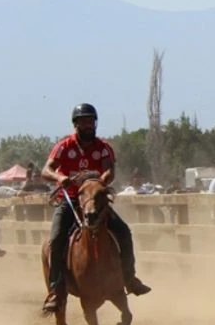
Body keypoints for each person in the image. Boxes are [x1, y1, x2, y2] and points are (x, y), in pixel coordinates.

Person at [40, 103, 151, 314]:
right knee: (55, 240)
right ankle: (55, 290)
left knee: (124, 232)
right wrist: (60, 177)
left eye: (91, 121)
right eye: (83, 121)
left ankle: (129, 278)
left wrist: (102, 180)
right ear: (76, 124)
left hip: (96, 199)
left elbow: (110, 169)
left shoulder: (103, 147)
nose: (88, 125)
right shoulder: (64, 146)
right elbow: (47, 169)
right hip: (71, 200)